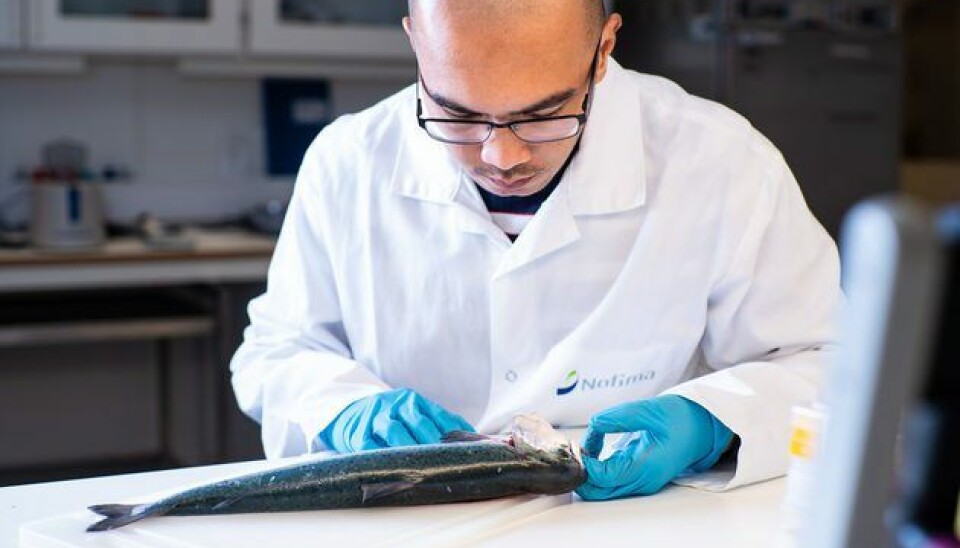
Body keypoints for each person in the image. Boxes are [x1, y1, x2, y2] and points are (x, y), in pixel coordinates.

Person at [230, 0, 841, 500]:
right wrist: (346, 409)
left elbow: (829, 363)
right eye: (457, 114)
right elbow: (276, 351)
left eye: (544, 114)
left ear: (603, 49)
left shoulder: (721, 161)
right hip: (408, 522)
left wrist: (710, 421)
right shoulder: (348, 162)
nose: (502, 157)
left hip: (638, 525)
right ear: (415, 41)